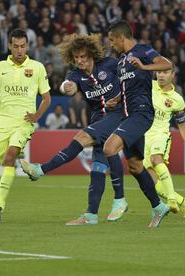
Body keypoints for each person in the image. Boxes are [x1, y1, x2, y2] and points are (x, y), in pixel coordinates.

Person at [20, 33, 128, 225]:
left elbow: (128, 81)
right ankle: (91, 215)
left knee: (82, 137)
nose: (79, 61)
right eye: (76, 57)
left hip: (117, 115)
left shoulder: (109, 64)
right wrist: (67, 87)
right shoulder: (75, 74)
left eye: (83, 57)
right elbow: (67, 85)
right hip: (99, 119)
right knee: (98, 167)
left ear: (92, 55)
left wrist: (119, 98)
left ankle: (41, 170)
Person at [0, 28, 51, 223]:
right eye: (15, 46)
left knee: (10, 156)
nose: (19, 50)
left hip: (23, 122)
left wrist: (37, 115)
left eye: (23, 46)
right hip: (1, 121)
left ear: (27, 46)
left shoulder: (38, 67)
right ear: (9, 46)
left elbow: (47, 98)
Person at [104, 20, 172, 228]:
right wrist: (115, 99)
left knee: (109, 148)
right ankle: (158, 206)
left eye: (112, 40)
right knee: (135, 167)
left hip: (141, 114)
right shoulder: (121, 62)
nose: (111, 45)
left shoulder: (143, 51)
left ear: (121, 38)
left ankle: (119, 201)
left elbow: (166, 64)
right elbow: (126, 89)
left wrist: (145, 66)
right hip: (127, 115)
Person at [143, 67, 185, 218]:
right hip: (144, 135)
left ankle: (172, 200)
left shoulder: (177, 99)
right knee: (151, 182)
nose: (161, 75)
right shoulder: (148, 85)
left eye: (165, 72)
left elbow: (182, 124)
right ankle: (184, 202)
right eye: (159, 72)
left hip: (161, 134)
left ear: (173, 75)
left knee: (156, 158)